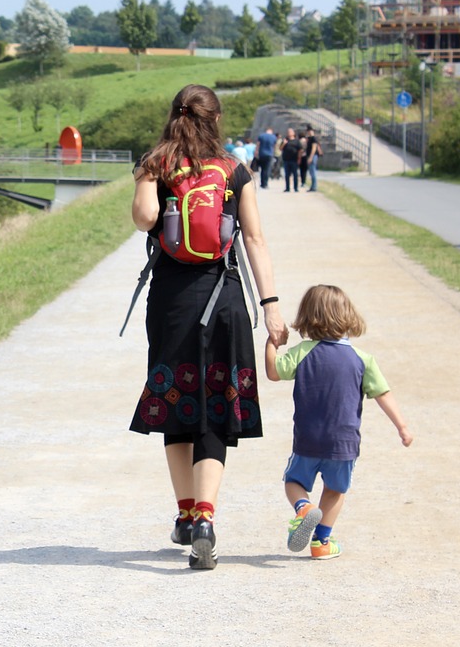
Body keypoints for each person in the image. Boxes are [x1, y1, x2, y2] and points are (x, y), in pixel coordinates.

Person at [130, 84, 288, 571]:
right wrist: (273, 307)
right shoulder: (234, 171)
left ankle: (183, 513)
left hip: (172, 301)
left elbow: (144, 220)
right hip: (226, 300)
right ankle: (204, 519)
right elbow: (255, 240)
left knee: (176, 401)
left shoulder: (157, 163)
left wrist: (144, 175)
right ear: (215, 120)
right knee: (215, 407)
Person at [265, 285, 413, 560]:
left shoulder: (303, 352)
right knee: (335, 489)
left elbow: (274, 372)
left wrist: (272, 343)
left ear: (308, 318)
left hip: (308, 439)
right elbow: (383, 394)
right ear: (348, 316)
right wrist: (402, 426)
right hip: (343, 443)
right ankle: (322, 542)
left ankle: (304, 508)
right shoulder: (361, 359)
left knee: (293, 481)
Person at [280, 128, 302, 192]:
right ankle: (287, 188)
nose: (289, 133)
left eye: (290, 132)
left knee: (295, 175)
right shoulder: (285, 140)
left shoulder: (297, 141)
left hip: (294, 160)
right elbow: (280, 149)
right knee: (287, 175)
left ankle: (295, 188)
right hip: (286, 160)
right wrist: (284, 143)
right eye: (288, 132)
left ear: (293, 133)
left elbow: (300, 150)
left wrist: (299, 158)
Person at [304, 126, 322, 192]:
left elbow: (314, 149)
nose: (309, 132)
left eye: (310, 131)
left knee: (313, 171)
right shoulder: (309, 139)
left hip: (313, 156)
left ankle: (314, 187)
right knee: (311, 172)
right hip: (310, 156)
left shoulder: (314, 139)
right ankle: (312, 186)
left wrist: (310, 157)